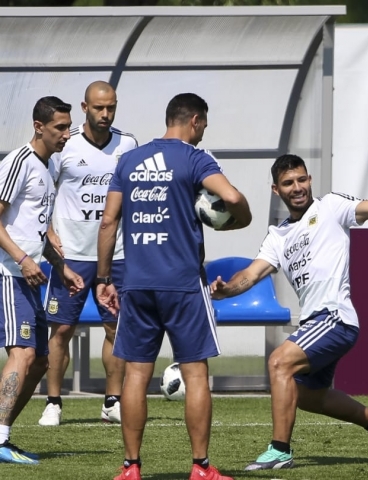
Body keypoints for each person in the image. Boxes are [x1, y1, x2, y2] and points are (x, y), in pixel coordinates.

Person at [210, 154, 368, 471]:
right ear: (276, 190)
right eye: (289, 183)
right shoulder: (278, 237)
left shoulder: (331, 207)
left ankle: (280, 451)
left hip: (334, 317)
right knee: (307, 396)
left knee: (279, 361)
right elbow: (250, 274)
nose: (298, 187)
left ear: (309, 180)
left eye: (302, 179)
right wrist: (227, 290)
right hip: (314, 323)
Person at [96, 93, 252, 480]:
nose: (204, 133)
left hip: (136, 282)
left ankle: (131, 467)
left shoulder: (128, 161)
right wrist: (240, 220)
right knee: (195, 373)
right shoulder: (195, 158)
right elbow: (231, 197)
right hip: (182, 283)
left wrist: (103, 279)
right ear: (195, 121)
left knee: (135, 374)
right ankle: (200, 467)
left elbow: (108, 222)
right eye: (205, 125)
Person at [38, 81, 137, 427]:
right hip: (72, 252)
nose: (105, 114)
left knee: (115, 328)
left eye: (111, 107)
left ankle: (112, 401)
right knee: (62, 329)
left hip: (117, 253)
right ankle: (53, 402)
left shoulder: (128, 145)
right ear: (84, 107)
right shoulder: (66, 145)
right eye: (99, 108)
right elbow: (44, 192)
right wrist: (49, 232)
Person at [0, 96, 83, 464]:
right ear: (39, 127)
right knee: (24, 352)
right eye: (60, 128)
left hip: (31, 276)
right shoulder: (19, 162)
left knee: (39, 362)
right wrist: (20, 258)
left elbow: (36, 232)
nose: (67, 134)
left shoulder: (48, 168)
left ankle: (1, 435)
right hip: (7, 273)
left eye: (68, 127)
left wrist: (62, 269)